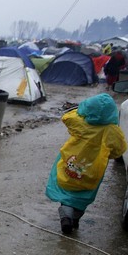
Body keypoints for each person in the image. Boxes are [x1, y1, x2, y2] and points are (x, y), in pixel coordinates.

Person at [45, 93, 126, 234]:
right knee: (84, 194)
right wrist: (108, 154)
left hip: (71, 162)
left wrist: (82, 111)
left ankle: (66, 212)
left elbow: (66, 117)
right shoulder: (111, 131)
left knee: (67, 185)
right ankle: (75, 216)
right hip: (92, 169)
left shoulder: (80, 122)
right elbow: (120, 150)